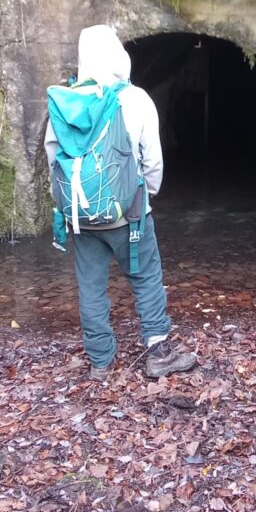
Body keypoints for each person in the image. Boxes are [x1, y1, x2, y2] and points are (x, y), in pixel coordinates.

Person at [45, 25, 197, 381]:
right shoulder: (136, 99)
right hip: (129, 215)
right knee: (146, 277)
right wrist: (146, 196)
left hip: (81, 217)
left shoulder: (65, 103)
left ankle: (101, 362)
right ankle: (158, 353)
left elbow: (53, 159)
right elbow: (152, 161)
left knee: (90, 287)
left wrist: (71, 204)